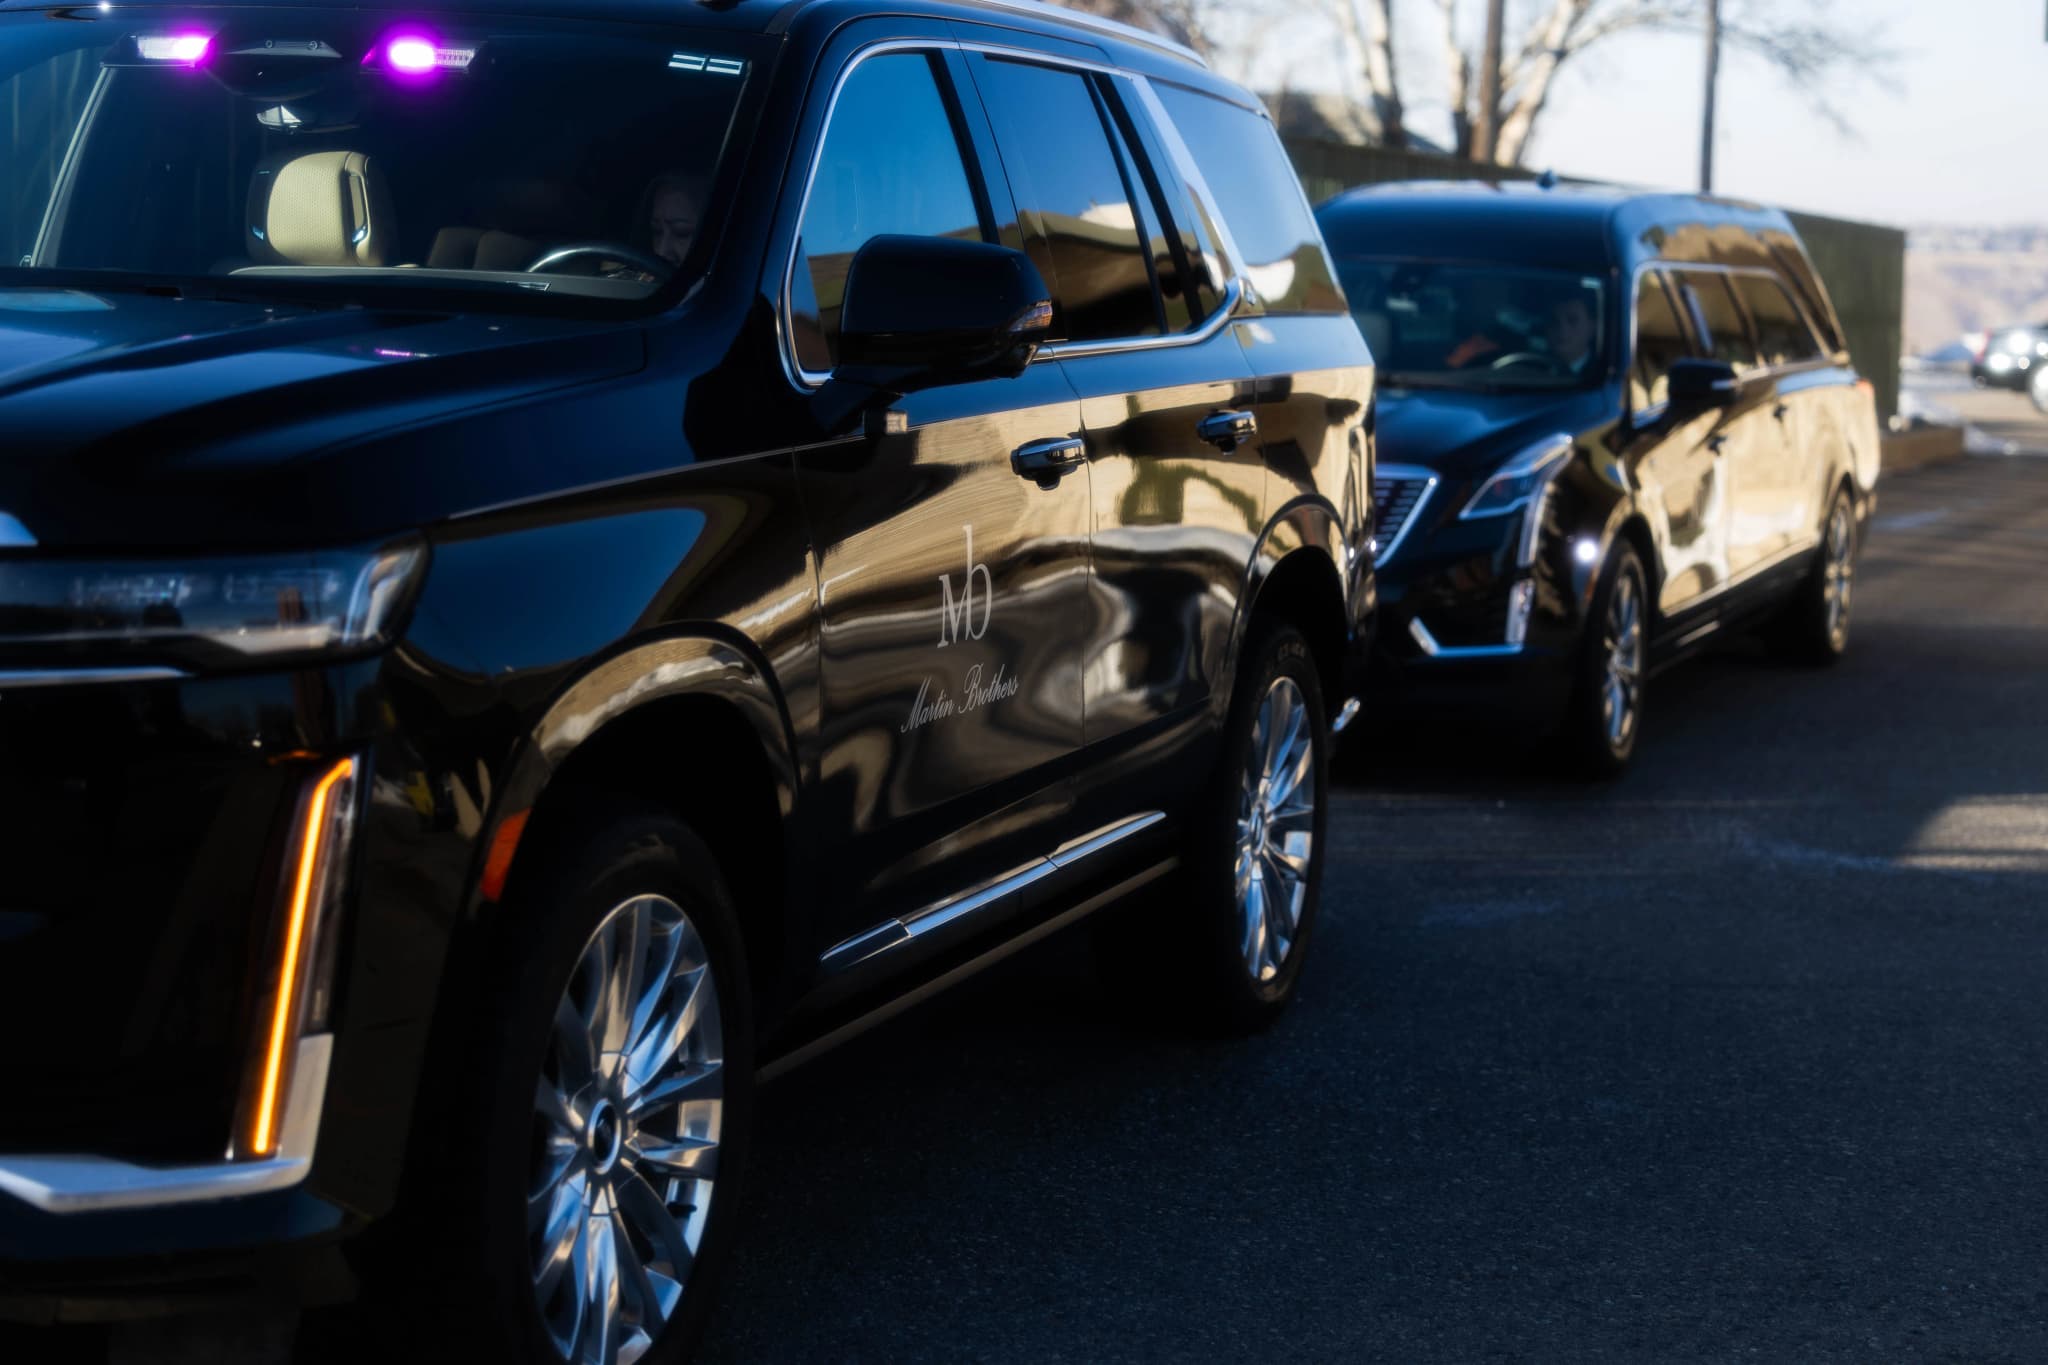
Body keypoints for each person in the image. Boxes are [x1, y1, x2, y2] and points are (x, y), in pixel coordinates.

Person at [1545, 291, 1598, 375]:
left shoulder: (1599, 373)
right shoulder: (1531, 367)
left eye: (1572, 320)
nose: (1562, 329)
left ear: (1591, 327)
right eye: (1554, 320)